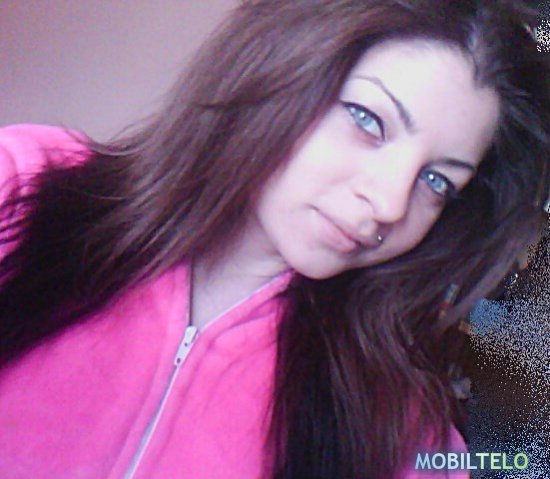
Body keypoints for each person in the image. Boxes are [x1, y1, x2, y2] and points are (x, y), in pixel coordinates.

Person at [0, 0, 548, 478]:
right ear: (279, 67)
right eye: (367, 120)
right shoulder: (23, 187)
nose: (390, 203)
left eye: (437, 182)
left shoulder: (395, 424)